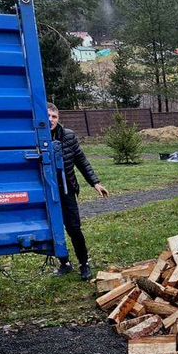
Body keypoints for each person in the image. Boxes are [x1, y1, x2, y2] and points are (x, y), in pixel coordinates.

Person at [47, 103, 109, 281]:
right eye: (47, 116)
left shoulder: (68, 136)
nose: (50, 120)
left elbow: (81, 160)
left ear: (59, 118)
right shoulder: (35, 136)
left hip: (67, 190)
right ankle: (64, 263)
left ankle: (84, 263)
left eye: (54, 116)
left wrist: (95, 183)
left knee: (74, 228)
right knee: (54, 228)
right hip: (47, 192)